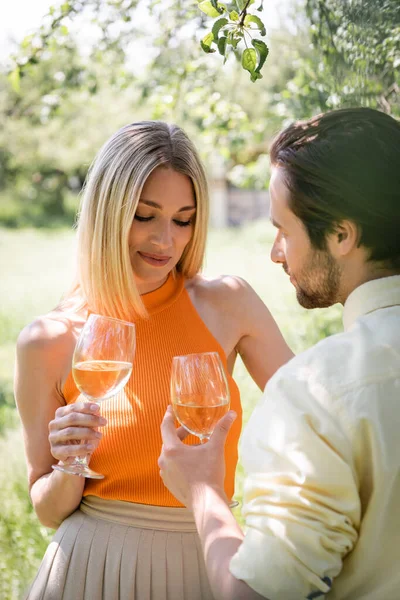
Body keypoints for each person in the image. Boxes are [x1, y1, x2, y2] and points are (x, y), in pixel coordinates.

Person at [15, 120, 293, 599]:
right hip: (90, 570)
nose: (166, 241)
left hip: (204, 561)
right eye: (146, 216)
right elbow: (45, 511)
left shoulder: (227, 304)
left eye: (183, 220)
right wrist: (68, 465)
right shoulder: (48, 339)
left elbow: (316, 415)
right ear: (108, 213)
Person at [159, 107, 400, 600]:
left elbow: (256, 595)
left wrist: (203, 490)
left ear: (340, 235)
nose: (275, 252)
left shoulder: (318, 392)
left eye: (283, 229)